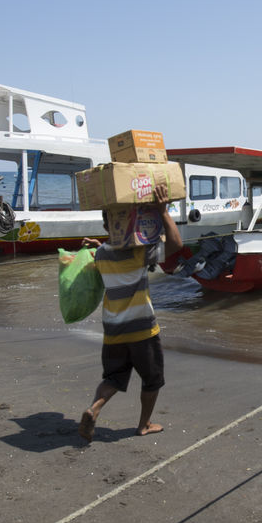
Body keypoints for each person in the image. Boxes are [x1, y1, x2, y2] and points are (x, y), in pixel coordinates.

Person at [78, 188, 183, 443]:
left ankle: (95, 408)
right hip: (142, 330)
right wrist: (162, 211)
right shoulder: (141, 252)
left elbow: (110, 245)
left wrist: (98, 243)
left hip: (113, 329)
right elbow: (176, 246)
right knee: (152, 379)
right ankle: (144, 424)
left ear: (106, 224)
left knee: (113, 377)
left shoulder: (102, 253)